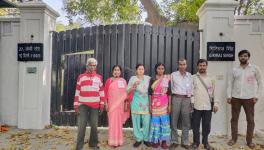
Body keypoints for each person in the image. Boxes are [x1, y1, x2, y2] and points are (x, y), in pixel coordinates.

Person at [227, 50, 263, 149]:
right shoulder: (235, 70)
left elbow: (261, 83)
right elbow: (230, 84)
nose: (243, 57)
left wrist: (257, 96)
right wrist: (229, 96)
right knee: (234, 119)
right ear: (239, 58)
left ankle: (249, 141)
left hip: (249, 99)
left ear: (248, 57)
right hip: (236, 98)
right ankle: (233, 139)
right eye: (241, 56)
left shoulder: (254, 69)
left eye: (245, 56)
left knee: (250, 120)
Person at [74, 58, 105, 150]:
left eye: (94, 65)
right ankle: (79, 146)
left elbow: (101, 91)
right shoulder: (81, 77)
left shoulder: (99, 77)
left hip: (95, 105)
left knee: (94, 126)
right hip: (82, 105)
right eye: (90, 65)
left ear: (96, 67)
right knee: (81, 126)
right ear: (87, 66)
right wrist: (76, 105)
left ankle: (93, 144)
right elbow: (77, 91)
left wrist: (102, 104)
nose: (92, 67)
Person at [191, 59, 219, 150]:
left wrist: (216, 104)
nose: (202, 67)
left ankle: (205, 142)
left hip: (207, 106)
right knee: (195, 125)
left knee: (206, 126)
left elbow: (215, 92)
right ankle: (196, 142)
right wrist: (191, 103)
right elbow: (190, 91)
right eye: (200, 65)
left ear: (206, 66)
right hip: (196, 106)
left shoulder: (211, 78)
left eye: (204, 65)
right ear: (197, 66)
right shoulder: (193, 77)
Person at [127, 64, 152, 148]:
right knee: (136, 122)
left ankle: (146, 139)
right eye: (139, 69)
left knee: (146, 122)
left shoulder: (148, 78)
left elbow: (152, 89)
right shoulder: (133, 78)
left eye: (142, 69)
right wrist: (133, 86)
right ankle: (138, 139)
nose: (141, 70)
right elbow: (127, 90)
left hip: (146, 103)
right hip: (136, 103)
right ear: (136, 70)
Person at [104, 65, 130, 148]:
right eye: (115, 70)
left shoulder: (123, 81)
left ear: (120, 72)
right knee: (112, 123)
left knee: (119, 124)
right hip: (111, 106)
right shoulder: (109, 81)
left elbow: (126, 94)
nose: (116, 71)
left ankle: (119, 141)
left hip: (120, 106)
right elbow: (105, 93)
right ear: (112, 71)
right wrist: (106, 104)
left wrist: (126, 104)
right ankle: (112, 141)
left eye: (118, 70)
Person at [170, 59, 192, 149]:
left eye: (184, 64)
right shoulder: (173, 75)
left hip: (187, 99)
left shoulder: (190, 75)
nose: (182, 66)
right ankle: (174, 141)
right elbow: (170, 88)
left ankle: (185, 142)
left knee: (186, 121)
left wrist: (191, 102)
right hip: (176, 98)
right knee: (174, 121)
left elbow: (191, 88)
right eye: (180, 64)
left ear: (186, 65)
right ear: (178, 65)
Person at [148, 63, 171, 149]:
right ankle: (156, 141)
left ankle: (164, 141)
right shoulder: (152, 79)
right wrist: (150, 105)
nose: (160, 70)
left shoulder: (167, 79)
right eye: (159, 68)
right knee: (155, 123)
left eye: (162, 69)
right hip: (155, 105)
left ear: (164, 70)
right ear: (156, 69)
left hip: (164, 104)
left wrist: (169, 105)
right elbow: (150, 93)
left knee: (164, 123)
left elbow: (169, 93)